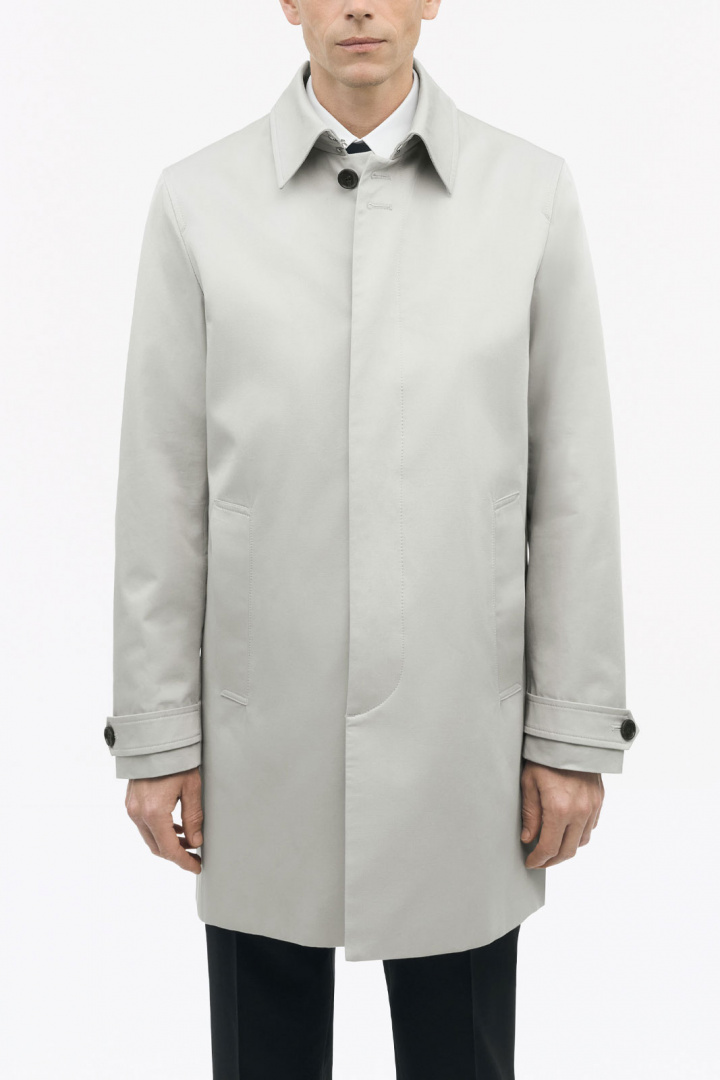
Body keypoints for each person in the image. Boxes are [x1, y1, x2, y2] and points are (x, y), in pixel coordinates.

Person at [105, 2, 639, 1077]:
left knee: (460, 1056)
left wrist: (572, 734)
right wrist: (157, 736)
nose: (360, 7)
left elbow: (573, 485)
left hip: (464, 737)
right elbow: (163, 487)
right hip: (260, 732)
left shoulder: (527, 194)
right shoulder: (201, 200)